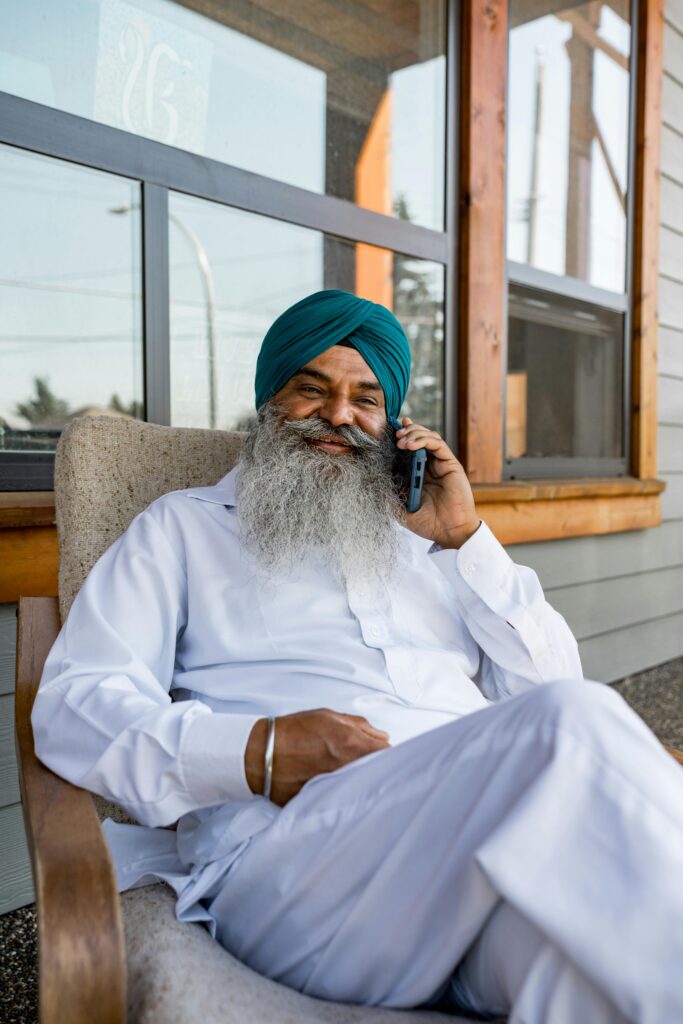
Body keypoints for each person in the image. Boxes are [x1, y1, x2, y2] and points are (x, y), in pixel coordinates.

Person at [33, 290, 683, 1023]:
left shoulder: (429, 546)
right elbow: (75, 702)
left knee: (599, 979)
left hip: (476, 871)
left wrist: (465, 540)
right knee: (570, 724)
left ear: (393, 423)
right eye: (311, 388)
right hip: (300, 870)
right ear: (267, 401)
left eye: (365, 398)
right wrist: (259, 749)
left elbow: (550, 682)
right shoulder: (182, 531)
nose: (339, 416)